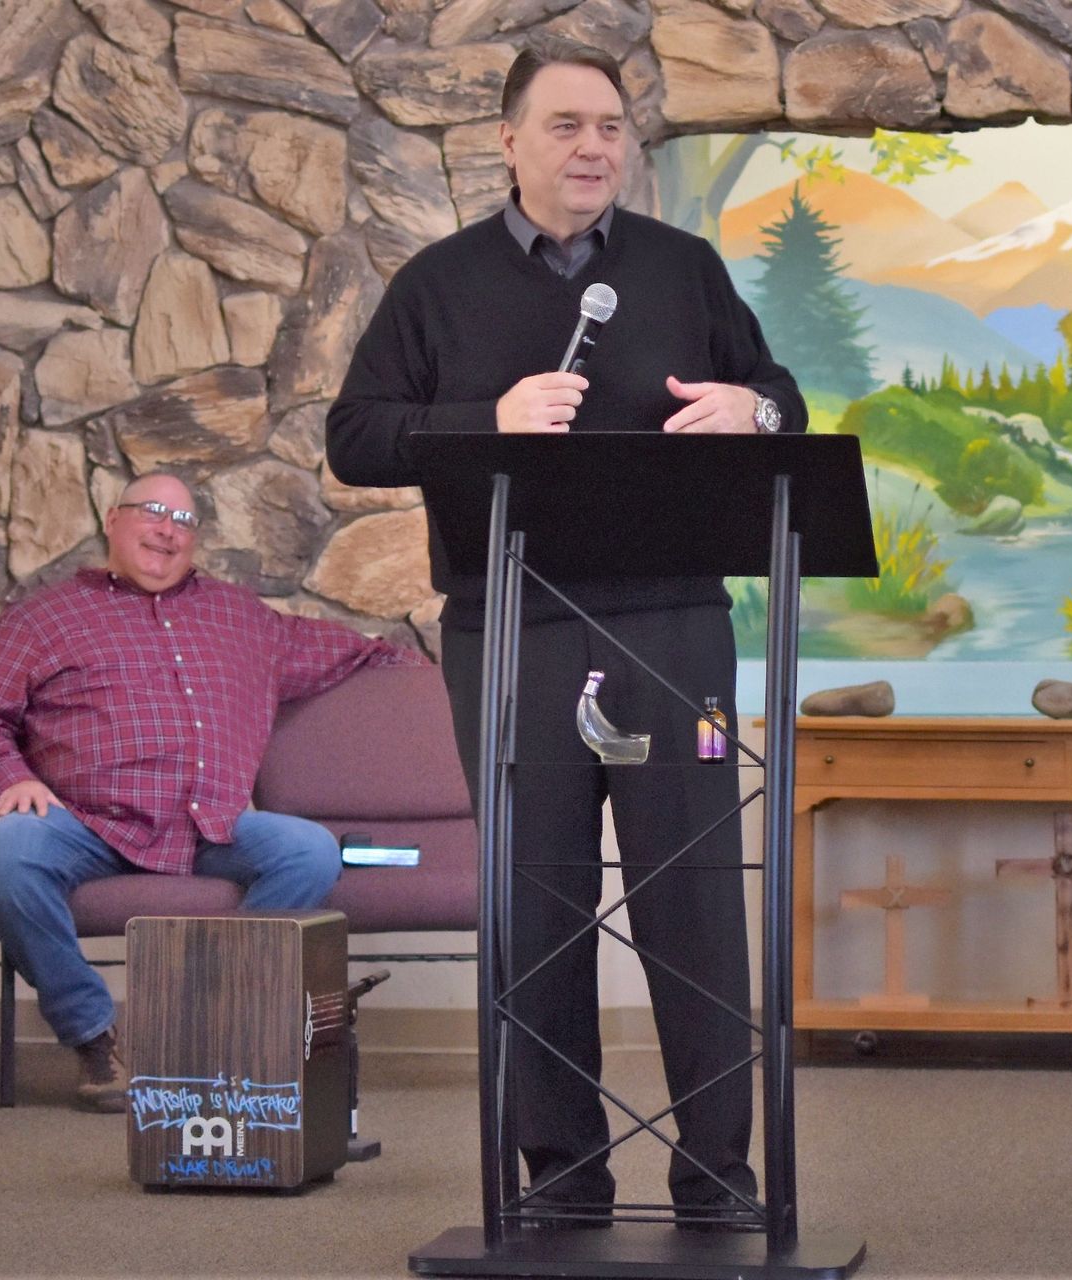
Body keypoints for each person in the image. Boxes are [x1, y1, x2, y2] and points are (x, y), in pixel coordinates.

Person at [325, 37, 804, 1229]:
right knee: (535, 908)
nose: (593, 147)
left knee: (692, 903)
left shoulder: (685, 270)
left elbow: (782, 394)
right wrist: (482, 417)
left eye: (608, 126)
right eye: (565, 126)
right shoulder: (437, 284)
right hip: (514, 627)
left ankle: (717, 1178)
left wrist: (758, 406)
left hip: (676, 627)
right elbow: (354, 434)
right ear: (508, 141)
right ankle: (564, 1177)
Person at [0, 471, 422, 1111]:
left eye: (184, 520)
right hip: (81, 823)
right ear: (113, 521)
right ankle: (94, 1038)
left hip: (207, 827)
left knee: (306, 849)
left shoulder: (243, 619)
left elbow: (353, 653)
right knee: (6, 852)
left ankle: (197, 1025)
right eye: (151, 511)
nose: (167, 529)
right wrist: (15, 779)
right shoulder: (41, 618)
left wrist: (429, 674)